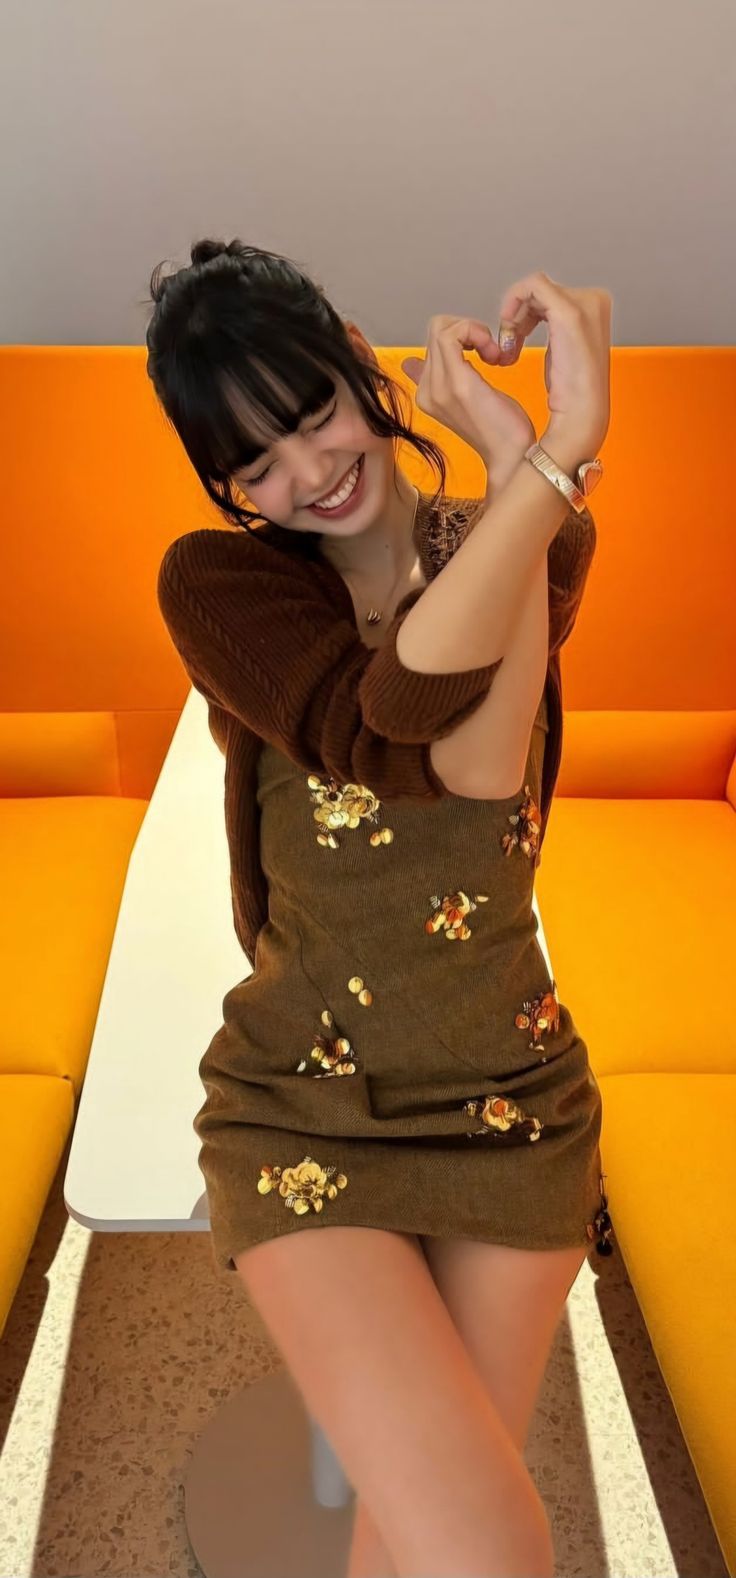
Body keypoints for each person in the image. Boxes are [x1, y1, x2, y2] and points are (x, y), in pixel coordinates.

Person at [148, 241, 613, 1578]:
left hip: (509, 1091)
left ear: (359, 361)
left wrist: (526, 474)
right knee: (483, 1550)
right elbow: (409, 730)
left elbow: (480, 764)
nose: (302, 476)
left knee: (413, 1539)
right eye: (254, 466)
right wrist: (547, 450)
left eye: (309, 418)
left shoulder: (520, 536)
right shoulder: (224, 584)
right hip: (304, 1098)